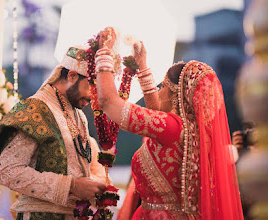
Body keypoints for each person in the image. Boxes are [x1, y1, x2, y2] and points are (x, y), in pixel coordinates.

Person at [95, 28, 244, 219]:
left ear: (176, 95)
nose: (158, 90)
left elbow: (108, 102)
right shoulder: (193, 131)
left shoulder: (171, 127)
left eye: (163, 86)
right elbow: (156, 112)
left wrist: (104, 53)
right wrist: (142, 65)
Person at [0, 45, 108, 220]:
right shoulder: (35, 109)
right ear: (72, 75)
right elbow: (7, 172)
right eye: (91, 85)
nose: (94, 97)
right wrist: (72, 186)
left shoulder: (78, 115)